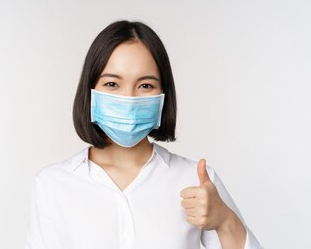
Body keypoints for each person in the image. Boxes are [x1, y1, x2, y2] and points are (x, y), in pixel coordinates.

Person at [25, 20, 262, 249]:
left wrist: (225, 220)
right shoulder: (52, 185)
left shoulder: (196, 181)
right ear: (91, 91)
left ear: (163, 95)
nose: (128, 98)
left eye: (145, 85)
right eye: (112, 84)